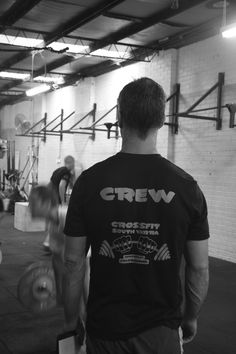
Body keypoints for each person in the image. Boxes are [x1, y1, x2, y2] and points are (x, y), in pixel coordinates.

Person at [63, 77, 210, 354]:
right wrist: (190, 317)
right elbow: (199, 268)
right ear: (162, 120)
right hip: (161, 332)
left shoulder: (89, 182)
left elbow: (73, 263)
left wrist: (72, 320)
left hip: (104, 330)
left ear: (118, 116)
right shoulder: (187, 187)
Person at [28, 185, 89, 318]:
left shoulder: (67, 215)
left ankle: (83, 318)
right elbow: (56, 258)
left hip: (89, 259)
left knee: (82, 301)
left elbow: (80, 259)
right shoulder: (52, 223)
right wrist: (60, 295)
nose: (29, 207)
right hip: (75, 264)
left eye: (33, 203)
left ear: (48, 203)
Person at [43, 155, 75, 251]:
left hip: (50, 197)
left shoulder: (58, 170)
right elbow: (62, 186)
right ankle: (50, 243)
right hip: (56, 200)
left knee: (54, 222)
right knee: (59, 223)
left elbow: (51, 183)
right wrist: (63, 201)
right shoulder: (66, 173)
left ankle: (48, 242)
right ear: (71, 163)